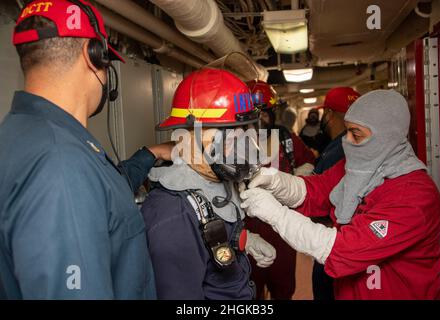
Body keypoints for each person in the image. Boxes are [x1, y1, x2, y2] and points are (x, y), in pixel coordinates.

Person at [0, 0, 173, 299]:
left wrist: (151, 153)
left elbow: (102, 196)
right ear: (92, 54)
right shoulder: (61, 164)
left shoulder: (23, 135)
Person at [241, 90, 440, 300]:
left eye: (356, 134)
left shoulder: (414, 195)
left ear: (385, 137)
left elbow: (342, 250)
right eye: (346, 131)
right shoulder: (362, 165)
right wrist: (277, 182)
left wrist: (276, 215)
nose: (346, 140)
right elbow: (317, 190)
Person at [141, 68, 276, 300]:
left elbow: (212, 230)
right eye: (230, 135)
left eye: (245, 130)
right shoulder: (174, 214)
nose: (242, 146)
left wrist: (245, 239)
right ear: (190, 137)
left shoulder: (213, 177)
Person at [245, 80, 315, 300]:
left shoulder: (285, 137)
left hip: (282, 229)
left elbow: (308, 162)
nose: (261, 118)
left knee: (283, 287)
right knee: (250, 290)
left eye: (266, 112)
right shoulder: (232, 141)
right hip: (248, 230)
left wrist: (291, 182)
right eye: (256, 113)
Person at [310, 87, 360, 300]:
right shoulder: (349, 146)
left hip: (331, 244)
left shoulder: (337, 151)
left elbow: (319, 204)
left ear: (329, 114)